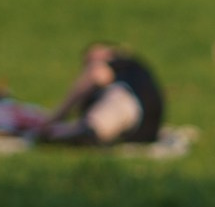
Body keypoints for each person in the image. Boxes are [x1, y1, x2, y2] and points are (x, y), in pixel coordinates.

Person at [33, 42, 165, 146]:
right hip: (142, 129)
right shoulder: (133, 73)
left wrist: (55, 117)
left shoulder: (121, 64)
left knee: (113, 101)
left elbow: (97, 75)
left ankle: (79, 134)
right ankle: (75, 133)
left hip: (125, 105)